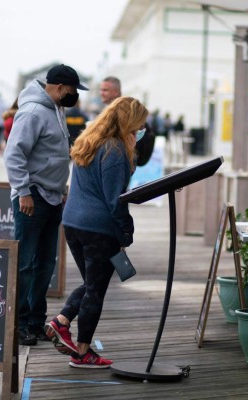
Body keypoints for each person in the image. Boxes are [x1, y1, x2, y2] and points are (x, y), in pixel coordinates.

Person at [45, 97, 148, 369]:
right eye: (138, 125)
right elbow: (116, 200)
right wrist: (126, 233)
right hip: (98, 228)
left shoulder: (90, 140)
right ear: (128, 122)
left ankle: (62, 322)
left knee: (92, 283)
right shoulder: (114, 149)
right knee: (96, 290)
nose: (140, 130)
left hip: (74, 223)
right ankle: (82, 351)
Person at [3, 64, 89, 346]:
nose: (75, 95)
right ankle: (18, 324)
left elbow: (51, 154)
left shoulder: (57, 109)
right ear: (61, 88)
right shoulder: (32, 112)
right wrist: (23, 191)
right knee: (26, 262)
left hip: (53, 196)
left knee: (45, 264)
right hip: (33, 197)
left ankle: (35, 321)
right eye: (74, 90)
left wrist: (61, 187)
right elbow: (14, 155)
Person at [98, 76, 155, 166]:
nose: (101, 93)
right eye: (100, 90)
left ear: (116, 92)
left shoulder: (126, 112)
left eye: (105, 90)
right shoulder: (108, 111)